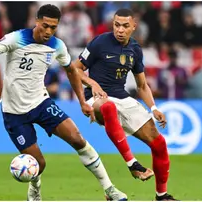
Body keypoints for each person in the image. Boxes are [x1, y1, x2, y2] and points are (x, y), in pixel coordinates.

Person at [0, 4, 127, 201]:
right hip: (14, 112)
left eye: (53, 27)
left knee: (77, 138)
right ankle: (35, 188)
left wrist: (82, 101)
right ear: (36, 22)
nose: (48, 31)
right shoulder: (17, 38)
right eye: (45, 26)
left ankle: (110, 190)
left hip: (41, 103)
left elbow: (71, 71)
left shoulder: (57, 46)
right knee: (39, 164)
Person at [74, 9, 178, 201]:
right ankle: (133, 164)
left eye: (125, 26)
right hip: (97, 97)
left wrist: (154, 108)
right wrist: (92, 83)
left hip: (122, 97)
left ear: (134, 27)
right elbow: (75, 68)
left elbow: (142, 85)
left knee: (159, 143)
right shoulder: (99, 42)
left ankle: (162, 196)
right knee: (108, 107)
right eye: (116, 25)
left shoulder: (135, 50)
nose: (120, 30)